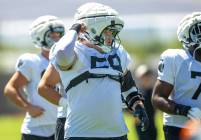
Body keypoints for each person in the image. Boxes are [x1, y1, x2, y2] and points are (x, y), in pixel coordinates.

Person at [38, 2, 149, 140]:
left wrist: (138, 105)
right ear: (91, 29)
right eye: (107, 30)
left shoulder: (118, 52)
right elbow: (61, 53)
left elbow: (127, 84)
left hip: (117, 133)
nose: (111, 36)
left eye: (113, 31)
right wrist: (75, 29)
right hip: (81, 133)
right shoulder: (73, 51)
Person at [4, 15, 65, 140]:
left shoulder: (69, 61)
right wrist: (27, 107)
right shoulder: (32, 62)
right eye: (52, 35)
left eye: (59, 34)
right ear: (39, 37)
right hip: (36, 130)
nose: (57, 38)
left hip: (64, 126)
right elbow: (10, 88)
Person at [152, 12, 201, 140]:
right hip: (178, 127)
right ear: (187, 35)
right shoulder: (175, 58)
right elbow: (157, 98)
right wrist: (184, 110)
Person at [134, 65, 157, 140]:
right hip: (141, 126)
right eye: (144, 76)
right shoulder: (135, 93)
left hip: (152, 125)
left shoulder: (153, 92)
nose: (146, 78)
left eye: (147, 76)